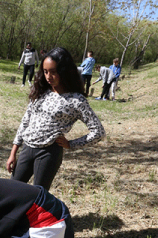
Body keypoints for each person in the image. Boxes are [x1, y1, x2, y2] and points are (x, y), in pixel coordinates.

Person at [6, 47, 105, 191]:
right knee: (11, 190)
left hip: (48, 153)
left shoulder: (76, 100)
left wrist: (71, 144)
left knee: (38, 196)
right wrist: (13, 152)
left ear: (64, 71)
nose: (48, 76)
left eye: (53, 72)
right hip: (27, 148)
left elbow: (98, 132)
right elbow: (26, 121)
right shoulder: (41, 91)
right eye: (45, 71)